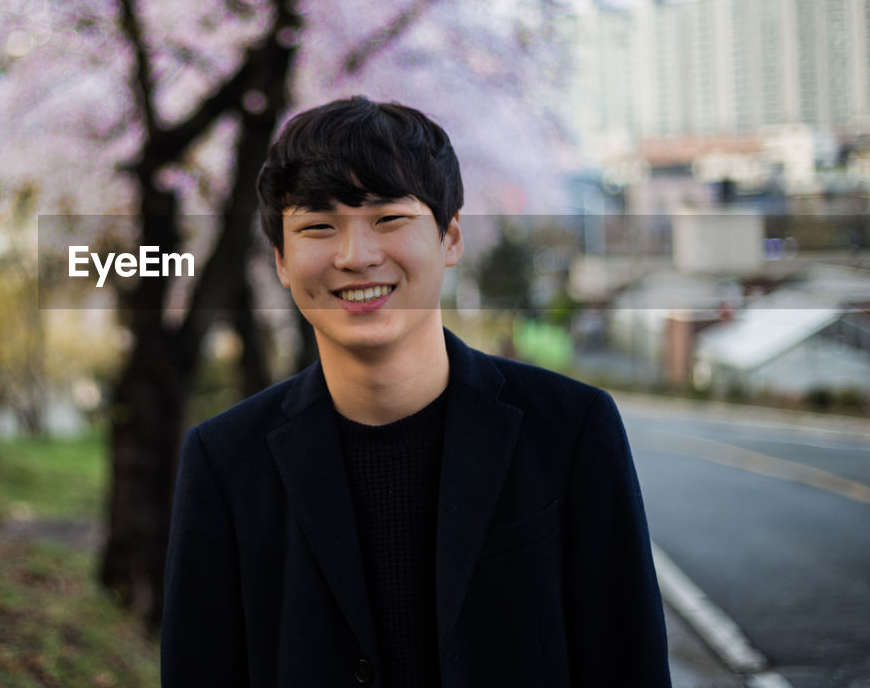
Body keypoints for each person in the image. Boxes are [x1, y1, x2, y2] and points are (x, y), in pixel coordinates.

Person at [160, 96, 670, 687]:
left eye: (390, 219)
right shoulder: (225, 461)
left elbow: (627, 662)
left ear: (451, 237)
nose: (357, 257)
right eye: (318, 227)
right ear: (280, 259)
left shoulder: (570, 429)